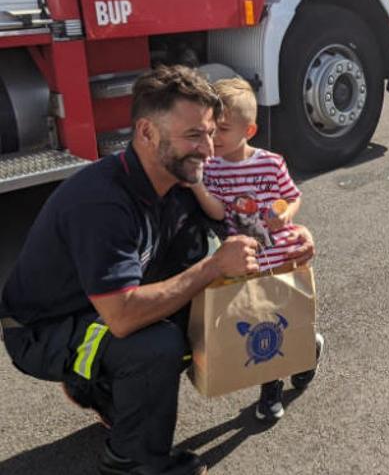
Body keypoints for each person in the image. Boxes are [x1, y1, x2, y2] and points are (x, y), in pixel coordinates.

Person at [0, 66, 316, 474]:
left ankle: (97, 387)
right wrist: (211, 268)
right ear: (147, 133)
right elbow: (125, 315)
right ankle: (132, 459)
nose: (207, 149)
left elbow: (238, 233)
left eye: (209, 132)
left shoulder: (176, 183)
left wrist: (293, 236)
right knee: (159, 343)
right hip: (42, 330)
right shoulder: (102, 202)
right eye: (193, 136)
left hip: (93, 309)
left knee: (200, 298)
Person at [190, 77, 323, 422]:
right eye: (210, 130)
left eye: (223, 130)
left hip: (281, 257)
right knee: (260, 324)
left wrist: (285, 213)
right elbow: (218, 212)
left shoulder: (271, 163)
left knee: (287, 317)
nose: (214, 139)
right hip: (245, 262)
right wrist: (197, 186)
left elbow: (292, 196)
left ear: (249, 130)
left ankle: (307, 350)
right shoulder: (212, 169)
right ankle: (274, 383)